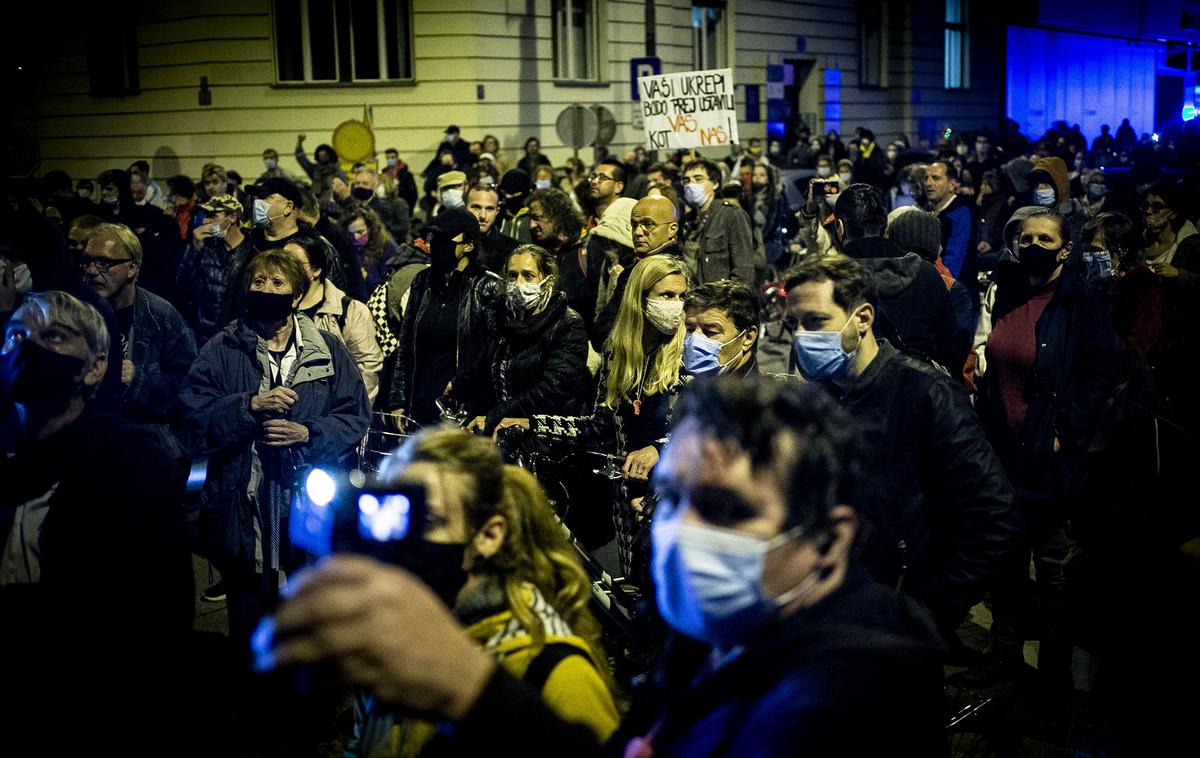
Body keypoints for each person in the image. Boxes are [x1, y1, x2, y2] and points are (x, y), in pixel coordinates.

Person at [257, 378, 949, 756]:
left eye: (725, 509)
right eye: (671, 498)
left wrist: (473, 692)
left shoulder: (854, 694)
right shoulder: (722, 633)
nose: (680, 532)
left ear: (828, 540)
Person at [785, 253, 1020, 640]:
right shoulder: (822, 395)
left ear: (862, 318)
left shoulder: (925, 393)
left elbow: (996, 520)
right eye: (793, 324)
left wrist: (924, 612)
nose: (800, 337)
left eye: (815, 322)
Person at [0, 290, 195, 750]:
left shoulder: (127, 462)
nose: (29, 346)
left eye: (54, 336)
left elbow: (152, 619)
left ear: (95, 367)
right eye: (15, 335)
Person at [179, 248, 371, 654]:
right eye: (258, 282)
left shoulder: (327, 350)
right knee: (248, 618)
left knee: (307, 610)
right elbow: (192, 419)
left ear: (297, 295)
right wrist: (248, 405)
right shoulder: (223, 347)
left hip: (305, 503)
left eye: (278, 283)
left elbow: (355, 415)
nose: (267, 290)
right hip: (241, 504)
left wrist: (307, 432)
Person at [970, 209, 1120, 692]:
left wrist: (1066, 433)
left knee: (1051, 570)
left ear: (1065, 248)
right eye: (1025, 236)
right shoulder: (1007, 287)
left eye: (1044, 238)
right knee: (1006, 564)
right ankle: (1007, 657)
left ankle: (1053, 677)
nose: (1033, 244)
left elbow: (1101, 376)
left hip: (1049, 459)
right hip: (1003, 452)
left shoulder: (1081, 301)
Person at [495, 255, 690, 577]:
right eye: (667, 296)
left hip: (671, 497)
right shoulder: (619, 354)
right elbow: (600, 424)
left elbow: (700, 428)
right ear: (639, 299)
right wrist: (536, 424)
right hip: (626, 496)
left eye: (681, 296)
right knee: (632, 597)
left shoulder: (689, 351)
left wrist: (658, 447)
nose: (677, 305)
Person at [80, 222, 196, 457]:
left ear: (132, 267)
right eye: (87, 261)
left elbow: (190, 388)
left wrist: (137, 380)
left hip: (144, 443)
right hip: (87, 438)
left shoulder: (161, 317)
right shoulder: (74, 312)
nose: (92, 270)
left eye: (104, 263)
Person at [448, 244, 589, 435]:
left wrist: (494, 416)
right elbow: (483, 366)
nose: (519, 282)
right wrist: (456, 387)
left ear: (547, 281)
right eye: (513, 276)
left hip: (544, 438)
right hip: (500, 434)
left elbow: (552, 390)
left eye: (528, 275)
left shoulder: (567, 324)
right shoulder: (501, 318)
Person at [386, 208, 503, 427]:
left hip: (461, 409)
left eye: (444, 239)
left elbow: (493, 356)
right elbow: (406, 346)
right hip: (420, 405)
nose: (436, 245)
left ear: (468, 245)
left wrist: (464, 389)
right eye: (434, 239)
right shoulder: (422, 281)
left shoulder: (489, 288)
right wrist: (398, 399)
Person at [832, 184, 965, 373]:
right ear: (885, 226)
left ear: (840, 228)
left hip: (850, 396)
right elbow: (952, 347)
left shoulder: (828, 280)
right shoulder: (925, 272)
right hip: (916, 391)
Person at [285, 235, 384, 403]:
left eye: (294, 264)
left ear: (315, 270)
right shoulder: (275, 309)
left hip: (333, 414)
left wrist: (349, 415)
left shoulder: (350, 311)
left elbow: (368, 367)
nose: (284, 269)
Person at [592, 195, 682, 350]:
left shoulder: (678, 275)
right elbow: (602, 334)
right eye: (634, 225)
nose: (638, 232)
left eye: (648, 224)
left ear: (671, 229)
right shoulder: (630, 271)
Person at [176, 193, 255, 344]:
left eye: (213, 215)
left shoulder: (252, 251)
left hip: (239, 336)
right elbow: (185, 286)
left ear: (232, 218)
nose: (205, 220)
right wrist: (194, 249)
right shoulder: (206, 247)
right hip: (207, 334)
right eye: (206, 215)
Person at [527, 188, 602, 334]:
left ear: (557, 216)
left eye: (537, 218)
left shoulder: (588, 250)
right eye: (530, 218)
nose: (531, 225)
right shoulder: (537, 253)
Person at [680, 159, 756, 285]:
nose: (691, 184)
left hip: (719, 299)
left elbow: (743, 269)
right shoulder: (686, 220)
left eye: (698, 179)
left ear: (715, 183)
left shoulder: (731, 215)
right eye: (686, 180)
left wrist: (732, 301)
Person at [924, 160, 979, 303]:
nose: (928, 183)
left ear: (952, 185)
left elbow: (954, 260)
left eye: (936, 178)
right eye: (926, 178)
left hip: (956, 298)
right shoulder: (929, 212)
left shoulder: (961, 213)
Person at [682, 280, 760, 378]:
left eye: (711, 332)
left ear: (748, 337)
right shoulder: (690, 386)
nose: (694, 341)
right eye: (689, 329)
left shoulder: (764, 392)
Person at [337, 166, 411, 246]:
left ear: (375, 186)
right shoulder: (346, 205)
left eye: (365, 183)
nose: (360, 186)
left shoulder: (383, 207)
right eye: (357, 183)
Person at [342, 202, 399, 293]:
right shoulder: (348, 247)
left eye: (360, 232)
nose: (356, 237)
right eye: (351, 234)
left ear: (371, 229)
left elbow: (391, 290)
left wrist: (366, 277)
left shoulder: (388, 249)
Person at [467, 183, 518, 274]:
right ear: (465, 208)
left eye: (489, 209)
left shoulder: (513, 251)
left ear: (497, 211)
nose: (483, 216)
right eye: (477, 207)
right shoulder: (450, 245)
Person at [293, 134, 347, 200]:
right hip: (318, 202)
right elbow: (301, 158)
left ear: (330, 156)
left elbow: (345, 191)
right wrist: (299, 143)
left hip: (335, 204)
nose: (322, 157)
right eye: (320, 155)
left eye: (325, 155)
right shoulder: (315, 170)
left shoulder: (338, 171)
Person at [587, 158, 626, 226]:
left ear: (618, 187)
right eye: (593, 177)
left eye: (602, 177)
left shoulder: (626, 222)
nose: (594, 182)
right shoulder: (587, 221)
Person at [381, 147, 419, 211]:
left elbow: (413, 193)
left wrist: (410, 209)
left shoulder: (406, 174)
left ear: (397, 158)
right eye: (388, 158)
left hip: (402, 206)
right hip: (387, 207)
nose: (390, 160)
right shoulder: (383, 171)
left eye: (392, 157)